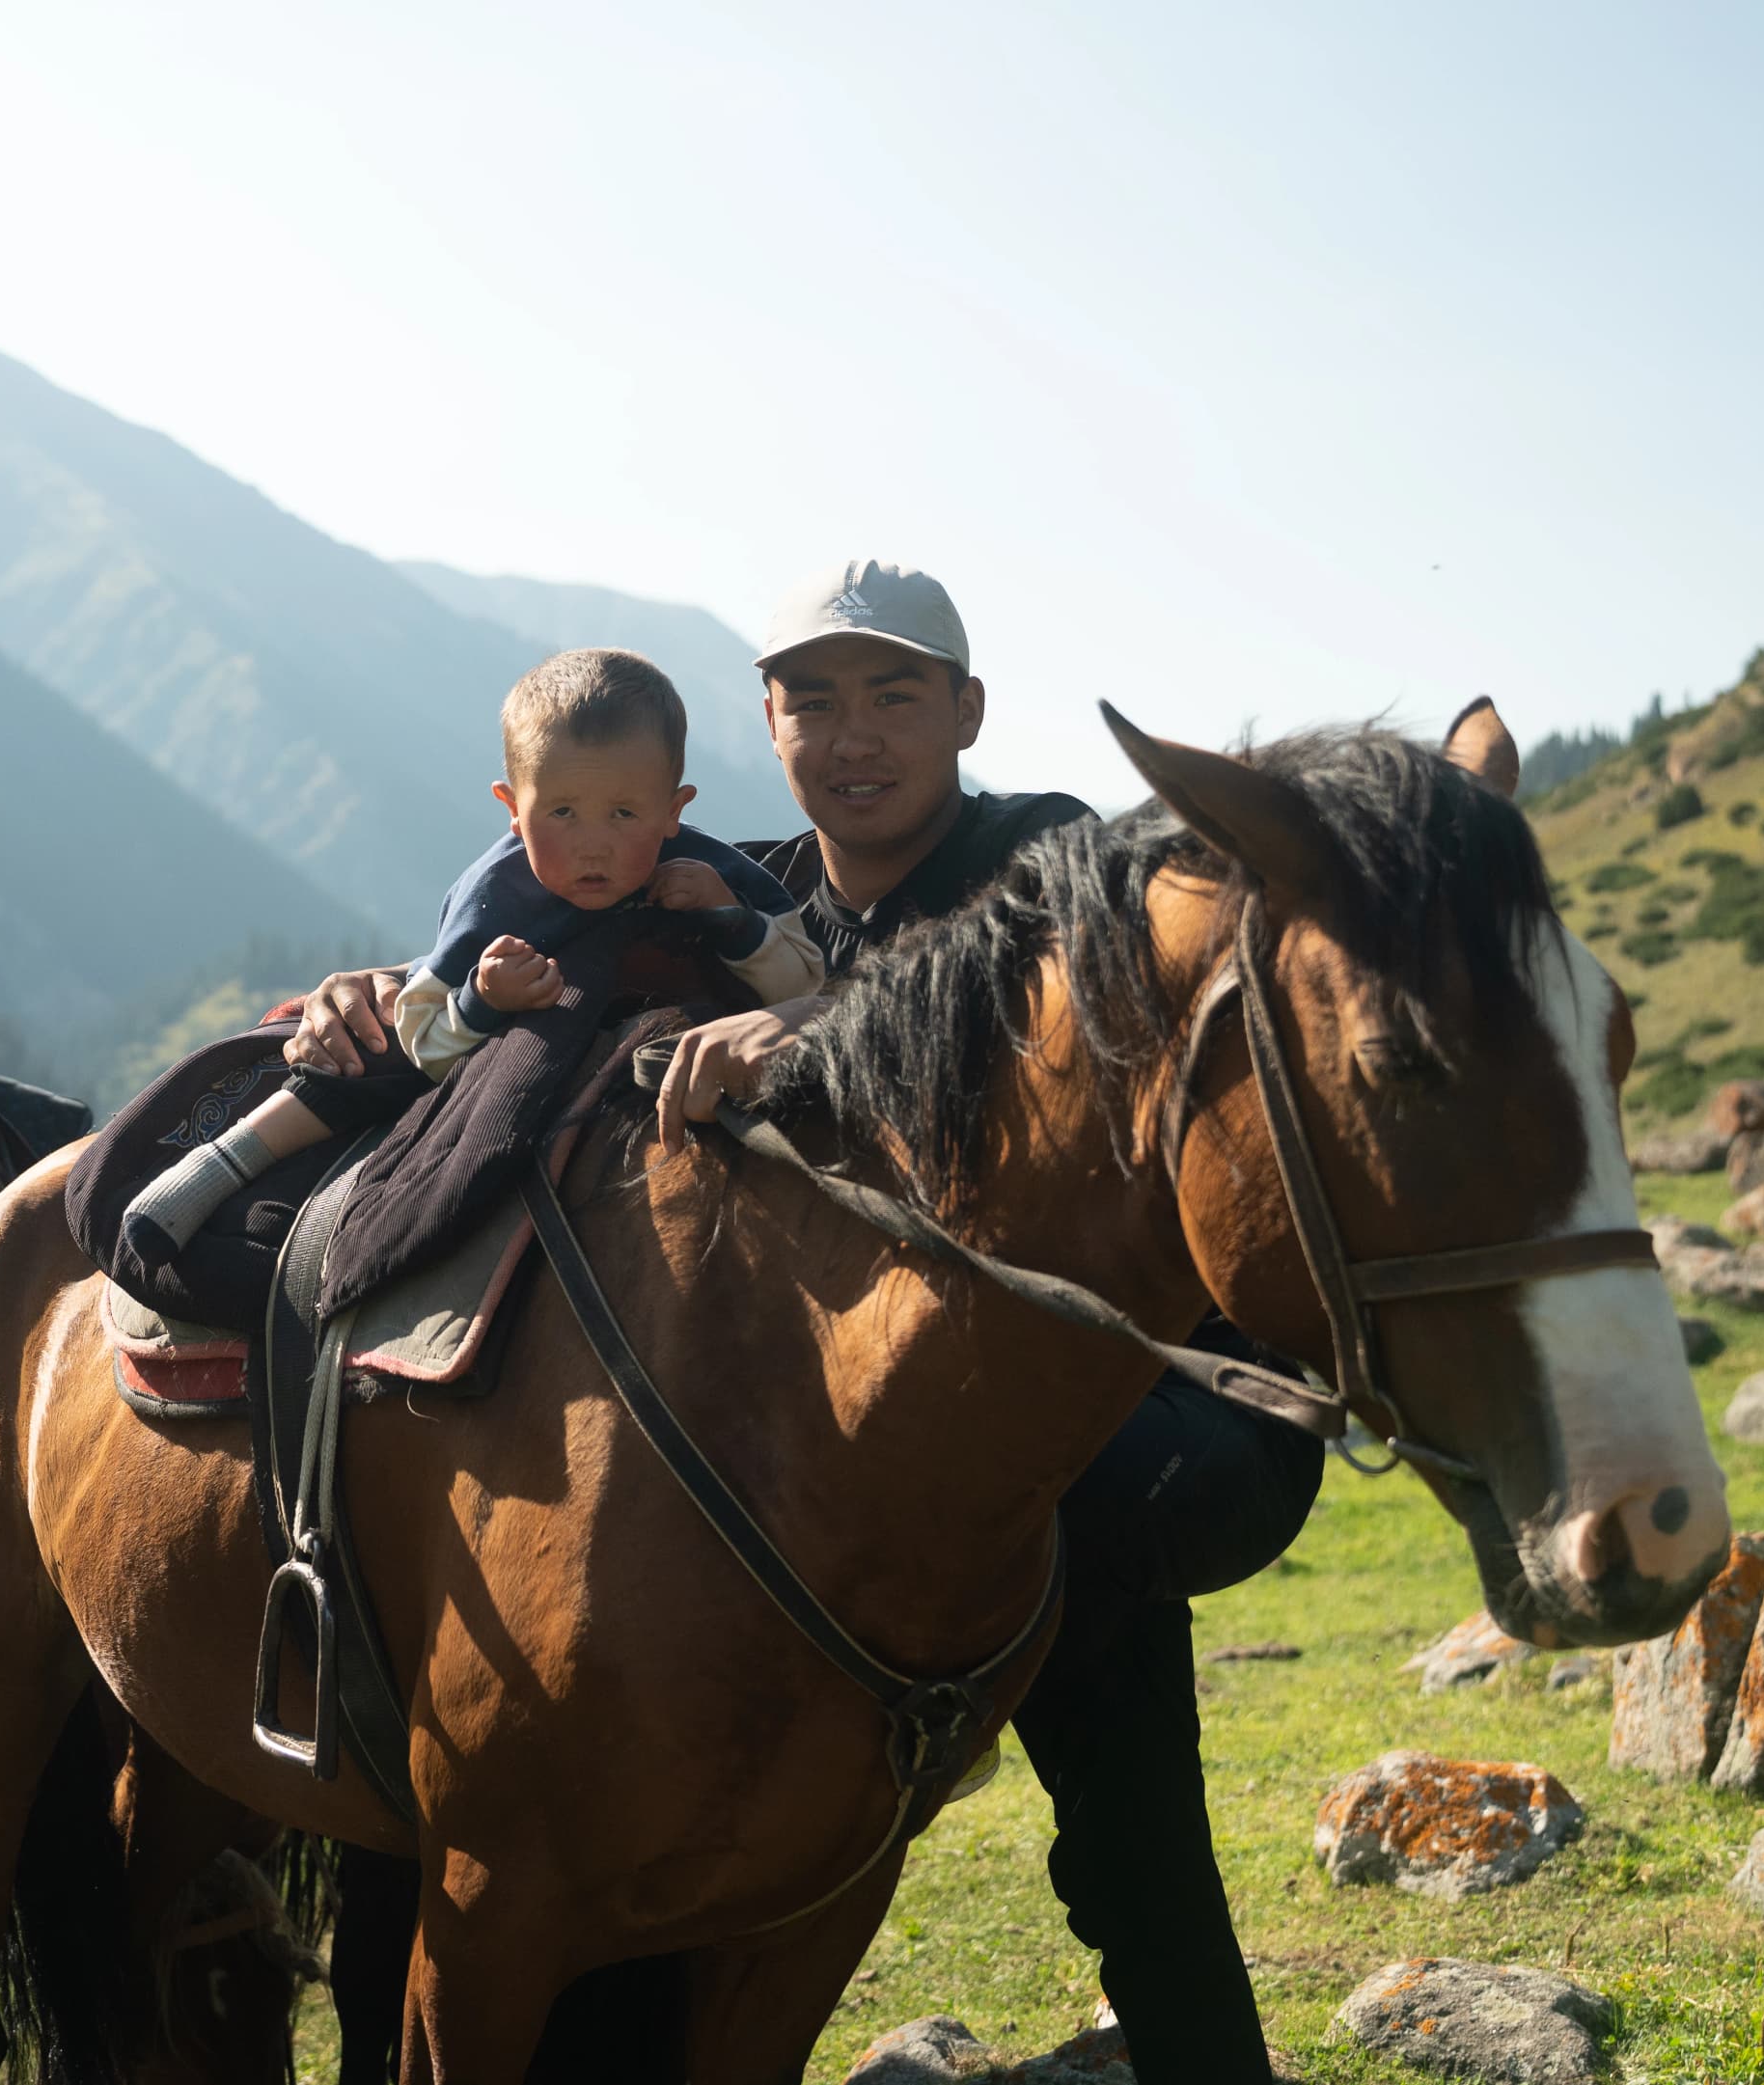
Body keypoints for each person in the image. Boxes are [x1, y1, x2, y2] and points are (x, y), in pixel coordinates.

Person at [289, 561, 1325, 2083]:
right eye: (812, 700)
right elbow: (528, 931)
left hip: (1123, 1425)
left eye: (894, 694)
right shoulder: (731, 883)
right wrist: (382, 1003)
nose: (854, 735)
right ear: (767, 726)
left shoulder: (1051, 860)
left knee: (1131, 1830)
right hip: (812, 1458)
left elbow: (1036, 1031)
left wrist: (810, 1023)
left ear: (965, 712)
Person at [123, 646, 822, 1265]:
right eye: (561, 812)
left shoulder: (708, 871)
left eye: (625, 813)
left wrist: (729, 920)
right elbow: (424, 1034)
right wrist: (483, 1000)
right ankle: (217, 1166)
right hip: (503, 1049)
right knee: (364, 1059)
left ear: (674, 809)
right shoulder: (499, 892)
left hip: (658, 1062)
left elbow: (806, 978)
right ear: (511, 808)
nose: (593, 844)